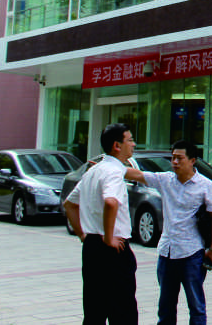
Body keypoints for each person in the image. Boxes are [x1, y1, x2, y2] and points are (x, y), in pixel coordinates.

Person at [124, 140, 212, 325]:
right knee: (166, 305)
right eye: (173, 158)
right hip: (167, 253)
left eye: (179, 158)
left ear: (192, 160)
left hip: (192, 253)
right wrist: (108, 169)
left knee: (196, 305)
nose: (175, 162)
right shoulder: (165, 180)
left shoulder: (205, 185)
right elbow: (138, 174)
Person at [65, 123, 138, 325]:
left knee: (94, 311)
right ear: (117, 145)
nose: (133, 144)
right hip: (113, 249)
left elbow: (69, 204)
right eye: (130, 140)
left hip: (92, 248)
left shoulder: (92, 171)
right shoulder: (113, 172)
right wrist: (108, 237)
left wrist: (82, 235)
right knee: (122, 313)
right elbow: (111, 202)